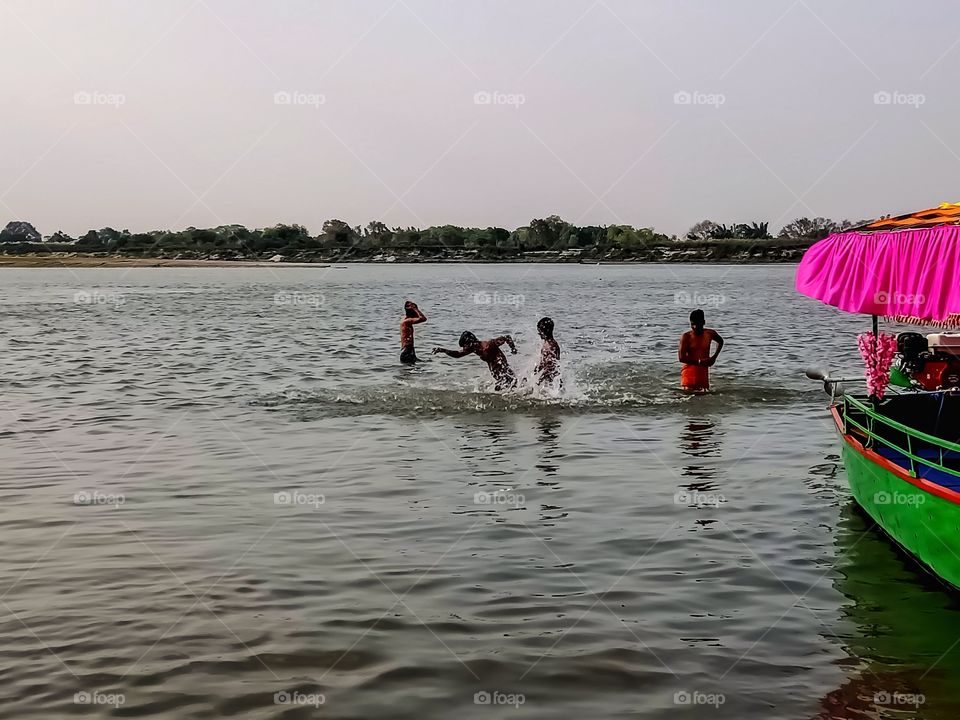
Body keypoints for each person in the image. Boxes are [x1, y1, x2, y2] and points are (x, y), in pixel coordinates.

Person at [432, 331, 518, 390]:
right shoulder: (474, 349)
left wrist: (513, 348)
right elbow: (458, 354)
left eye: (465, 346)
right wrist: (443, 350)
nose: (464, 348)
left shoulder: (488, 345)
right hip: (499, 377)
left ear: (471, 342)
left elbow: (507, 337)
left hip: (506, 374)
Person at [678, 309, 724, 391]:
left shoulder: (710, 334)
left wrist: (714, 357)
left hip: (703, 375)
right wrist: (700, 362)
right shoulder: (686, 336)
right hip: (689, 375)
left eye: (697, 324)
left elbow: (721, 341)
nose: (695, 327)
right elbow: (682, 358)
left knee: (704, 400)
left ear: (703, 322)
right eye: (692, 324)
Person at [534, 317, 561, 387]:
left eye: (540, 331)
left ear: (545, 331)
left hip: (553, 377)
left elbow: (550, 367)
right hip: (551, 376)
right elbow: (543, 362)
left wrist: (539, 380)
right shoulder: (547, 343)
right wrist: (535, 371)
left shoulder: (551, 346)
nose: (539, 333)